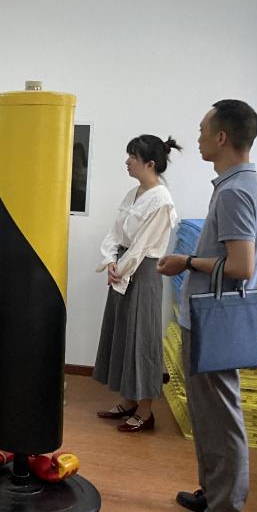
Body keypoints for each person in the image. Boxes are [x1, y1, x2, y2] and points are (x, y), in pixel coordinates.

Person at [157, 99, 257, 512]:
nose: (198, 138)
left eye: (203, 130)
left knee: (221, 419)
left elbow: (241, 266)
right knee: (207, 416)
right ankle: (214, 495)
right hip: (211, 320)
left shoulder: (234, 192)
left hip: (216, 322)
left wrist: (186, 261)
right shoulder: (242, 185)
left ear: (222, 137)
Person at [93, 135, 181, 433]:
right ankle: (129, 400)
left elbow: (142, 246)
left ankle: (146, 411)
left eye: (132, 156)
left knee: (141, 339)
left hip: (142, 273)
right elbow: (115, 233)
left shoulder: (161, 200)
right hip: (123, 268)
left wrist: (120, 269)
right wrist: (110, 260)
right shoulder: (133, 193)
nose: (127, 161)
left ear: (150, 163)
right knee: (123, 334)